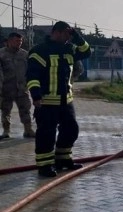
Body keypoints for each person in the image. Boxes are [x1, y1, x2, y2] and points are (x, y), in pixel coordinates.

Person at [26, 21, 92, 177]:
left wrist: (76, 36)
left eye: (70, 35)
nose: (68, 38)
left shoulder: (69, 49)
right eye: (67, 34)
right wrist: (36, 95)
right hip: (47, 102)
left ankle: (63, 159)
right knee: (46, 135)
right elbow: (32, 76)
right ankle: (44, 166)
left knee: (71, 130)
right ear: (57, 32)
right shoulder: (40, 51)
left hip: (66, 102)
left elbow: (87, 51)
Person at [0, 32, 35, 139]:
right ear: (9, 41)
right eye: (16, 41)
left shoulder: (25, 54)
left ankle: (28, 130)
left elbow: (31, 70)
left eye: (20, 41)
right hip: (6, 88)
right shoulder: (1, 54)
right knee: (5, 110)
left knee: (25, 110)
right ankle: (6, 131)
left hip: (22, 88)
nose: (19, 43)